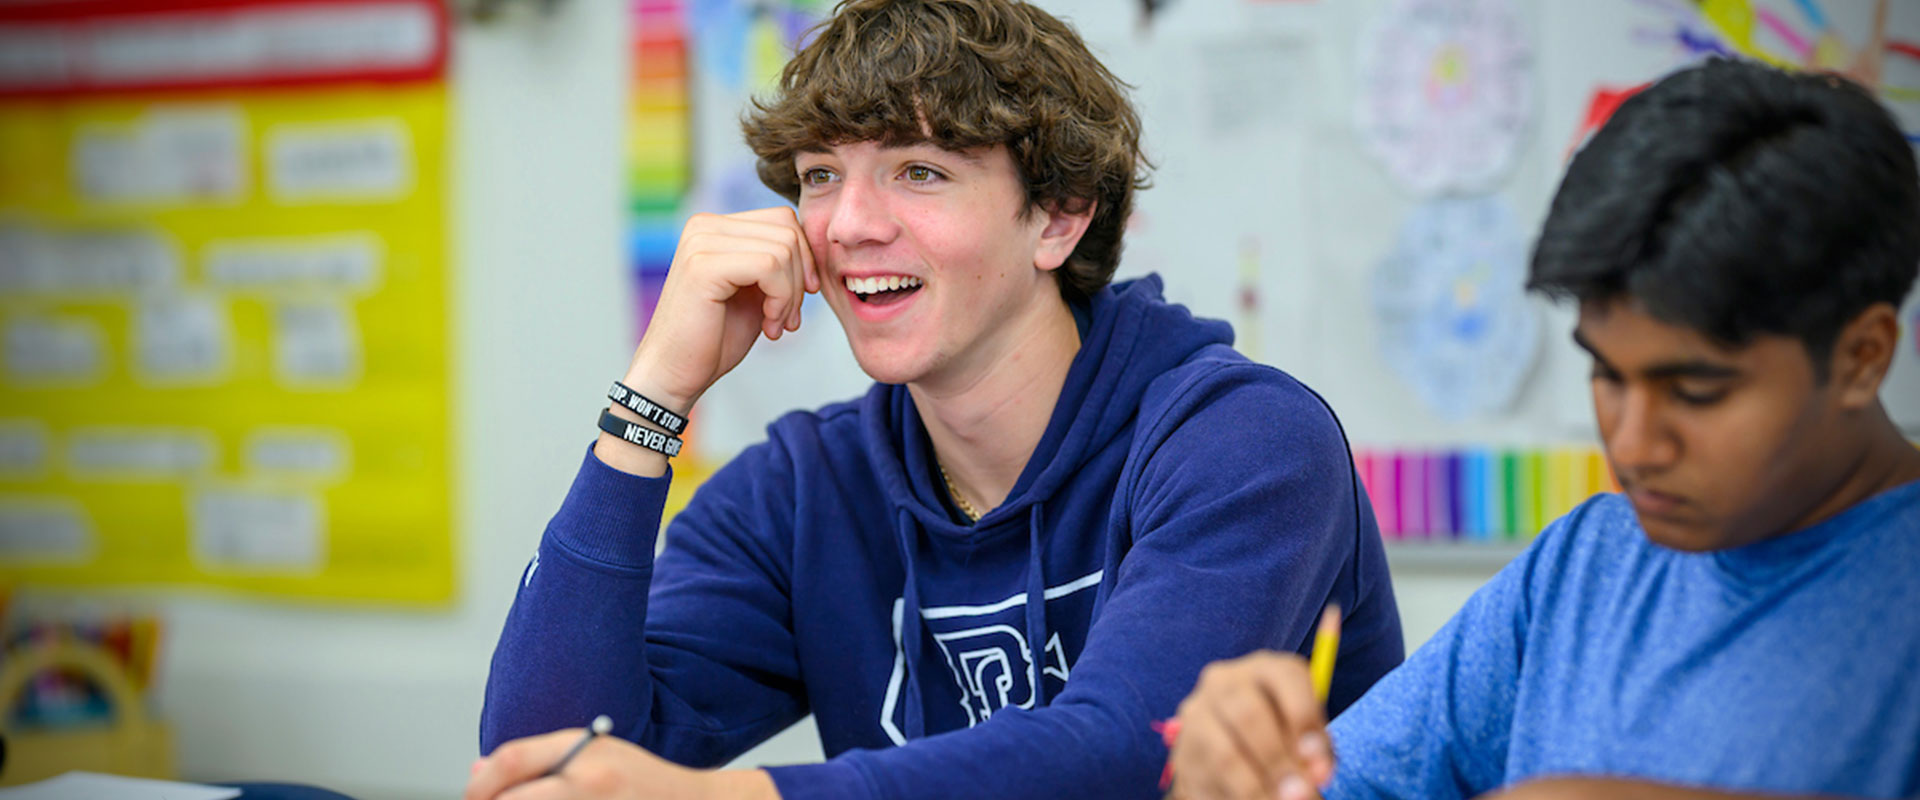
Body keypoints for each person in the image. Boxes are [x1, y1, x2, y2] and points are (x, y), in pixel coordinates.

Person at [467, 1, 1403, 798]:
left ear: (1056, 217)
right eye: (822, 176)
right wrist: (652, 398)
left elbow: (1126, 747)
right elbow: (541, 762)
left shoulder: (1245, 442)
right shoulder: (797, 489)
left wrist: (746, 795)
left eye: (920, 170)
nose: (850, 226)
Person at [1163, 57, 1920, 800]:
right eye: (1607, 375)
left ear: (1861, 357)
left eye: (1694, 391)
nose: (1631, 446)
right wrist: (1229, 777)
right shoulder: (1586, 565)